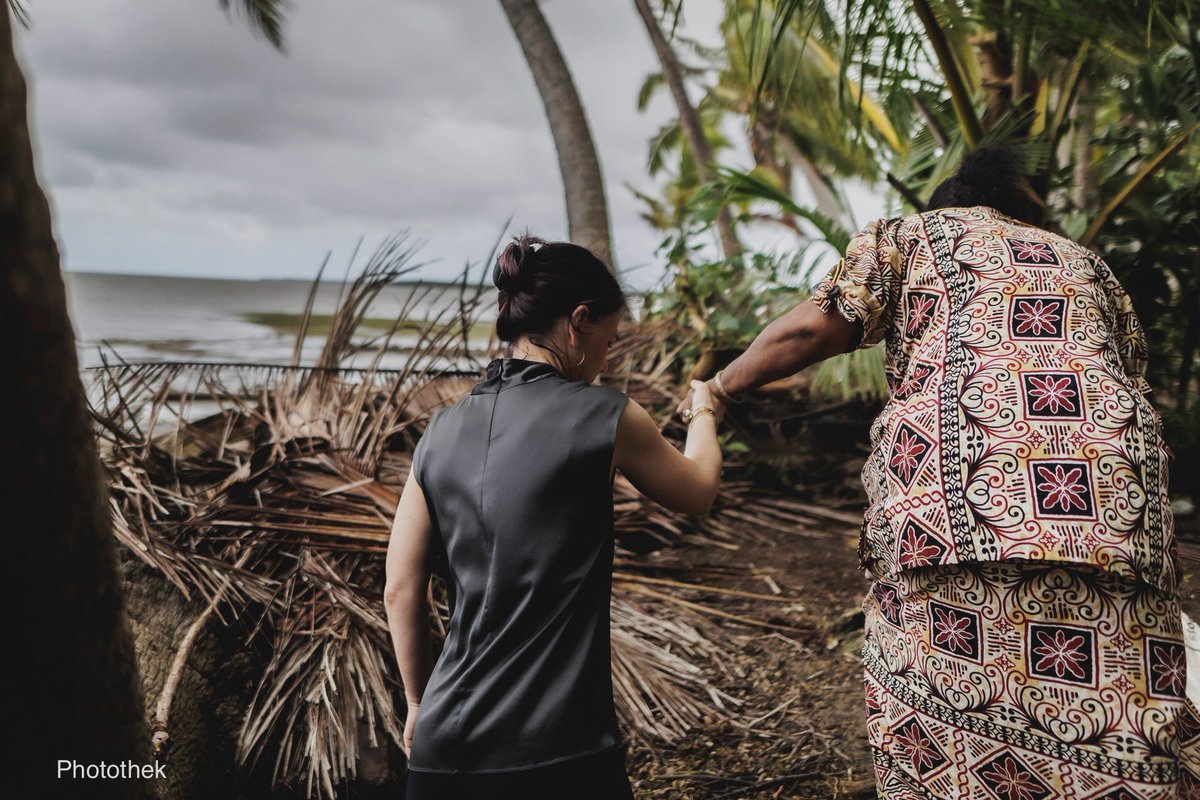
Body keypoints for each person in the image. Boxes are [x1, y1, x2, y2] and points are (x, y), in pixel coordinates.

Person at [680, 146, 1192, 797]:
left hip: (959, 514)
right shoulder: (1087, 263)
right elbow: (1131, 380)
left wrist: (719, 387)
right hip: (1118, 516)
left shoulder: (908, 235)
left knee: (952, 718)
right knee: (1115, 712)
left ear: (946, 207)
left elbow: (813, 329)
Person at [384, 234, 724, 800]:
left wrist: (419, 703)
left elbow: (400, 588)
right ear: (579, 321)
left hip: (444, 746)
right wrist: (707, 408)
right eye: (608, 341)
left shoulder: (438, 433)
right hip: (558, 747)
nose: (605, 359)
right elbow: (698, 489)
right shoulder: (604, 415)